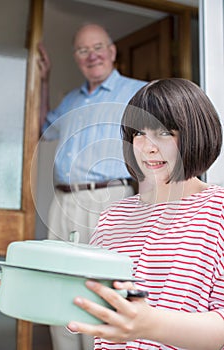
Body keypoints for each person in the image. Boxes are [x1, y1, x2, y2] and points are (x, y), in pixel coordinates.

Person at [65, 78, 224, 350]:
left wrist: (150, 324)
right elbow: (87, 304)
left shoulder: (218, 211)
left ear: (197, 133)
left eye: (164, 132)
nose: (148, 146)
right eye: (139, 133)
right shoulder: (112, 217)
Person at [38, 23, 146, 350]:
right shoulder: (70, 100)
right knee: (58, 285)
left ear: (112, 52)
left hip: (112, 197)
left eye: (98, 47)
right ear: (76, 57)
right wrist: (42, 82)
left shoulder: (138, 91)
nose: (92, 55)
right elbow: (44, 127)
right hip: (64, 201)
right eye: (83, 50)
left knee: (101, 288)